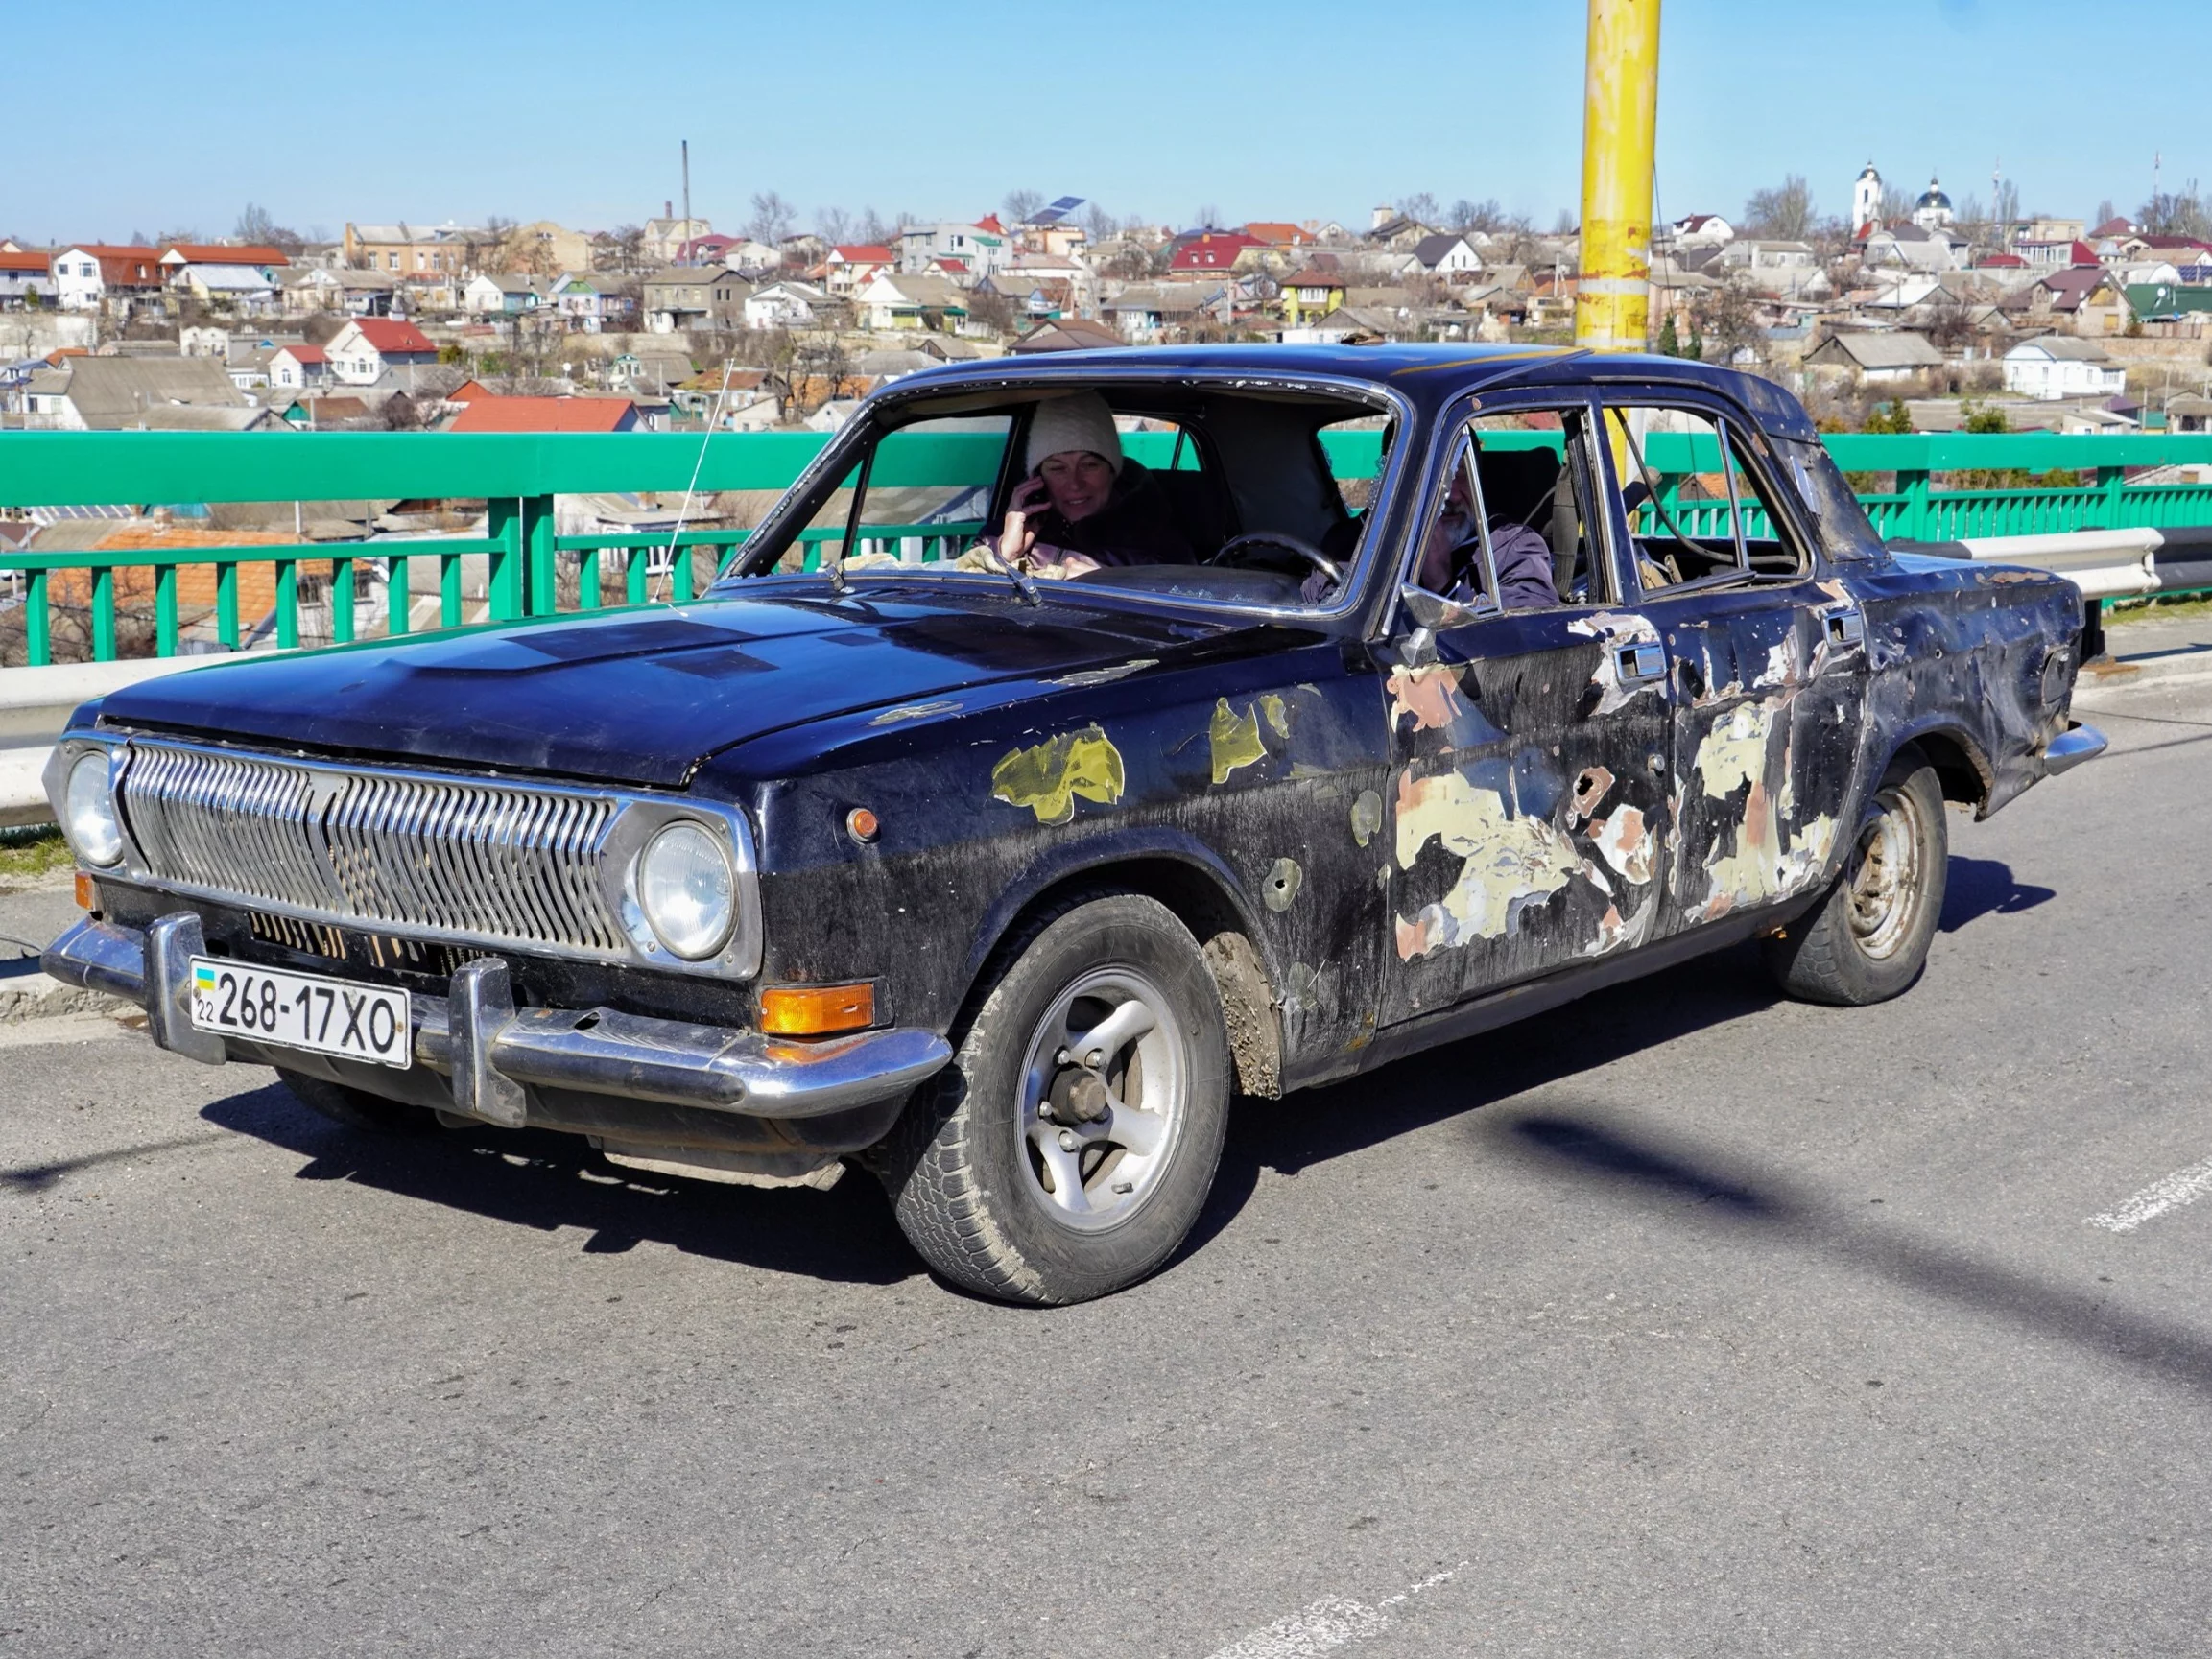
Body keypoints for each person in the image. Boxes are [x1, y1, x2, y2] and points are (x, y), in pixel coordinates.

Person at [973, 392, 1193, 578]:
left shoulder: (1157, 539)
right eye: (1058, 469)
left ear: (1112, 470)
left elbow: (1188, 603)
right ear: (1037, 478)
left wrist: (1110, 584)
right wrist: (1004, 552)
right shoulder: (1005, 532)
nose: (1075, 484)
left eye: (1089, 465)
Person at [1415, 458, 1557, 612]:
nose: (1452, 495)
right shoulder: (1389, 546)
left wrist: (1443, 586)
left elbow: (1531, 625)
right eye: (1432, 477)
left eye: (1462, 475)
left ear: (1477, 482)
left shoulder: (1515, 548)